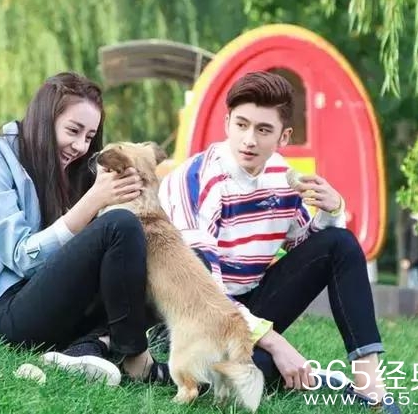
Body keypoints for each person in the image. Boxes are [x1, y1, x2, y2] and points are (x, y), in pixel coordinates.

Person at [159, 71, 401, 413]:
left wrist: (330, 211)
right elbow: (198, 291)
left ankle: (369, 388)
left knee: (340, 244)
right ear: (227, 122)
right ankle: (192, 370)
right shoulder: (194, 180)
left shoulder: (281, 177)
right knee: (261, 367)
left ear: (283, 136)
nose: (249, 140)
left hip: (247, 304)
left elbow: (307, 251)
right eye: (241, 125)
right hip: (190, 317)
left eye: (263, 130)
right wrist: (275, 343)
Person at [0, 72, 170, 386]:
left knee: (158, 254)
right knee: (120, 225)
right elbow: (22, 258)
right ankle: (136, 360)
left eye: (89, 137)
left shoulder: (67, 169)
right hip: (1, 311)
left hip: (49, 301)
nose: (80, 146)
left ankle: (87, 348)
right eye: (73, 131)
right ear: (44, 119)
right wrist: (93, 201)